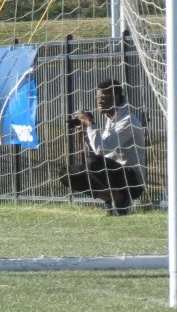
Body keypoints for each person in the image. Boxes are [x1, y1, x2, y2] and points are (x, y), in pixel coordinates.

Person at [59, 79, 146, 216]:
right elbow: (95, 152)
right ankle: (109, 199)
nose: (99, 101)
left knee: (93, 162)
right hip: (110, 175)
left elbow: (101, 150)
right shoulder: (109, 120)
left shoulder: (128, 121)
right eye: (98, 98)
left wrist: (90, 123)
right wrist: (84, 131)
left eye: (104, 98)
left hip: (131, 181)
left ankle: (122, 200)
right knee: (66, 173)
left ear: (116, 97)